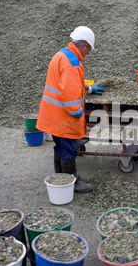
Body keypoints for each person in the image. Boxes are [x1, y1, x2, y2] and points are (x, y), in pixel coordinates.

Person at [36, 26, 105, 193]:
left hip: (53, 113)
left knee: (59, 145)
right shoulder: (72, 63)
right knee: (68, 148)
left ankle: (60, 178)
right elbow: (69, 92)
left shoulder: (61, 55)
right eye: (89, 48)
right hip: (64, 116)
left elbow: (67, 83)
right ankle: (72, 182)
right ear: (83, 45)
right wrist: (78, 112)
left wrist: (88, 89)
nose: (88, 53)